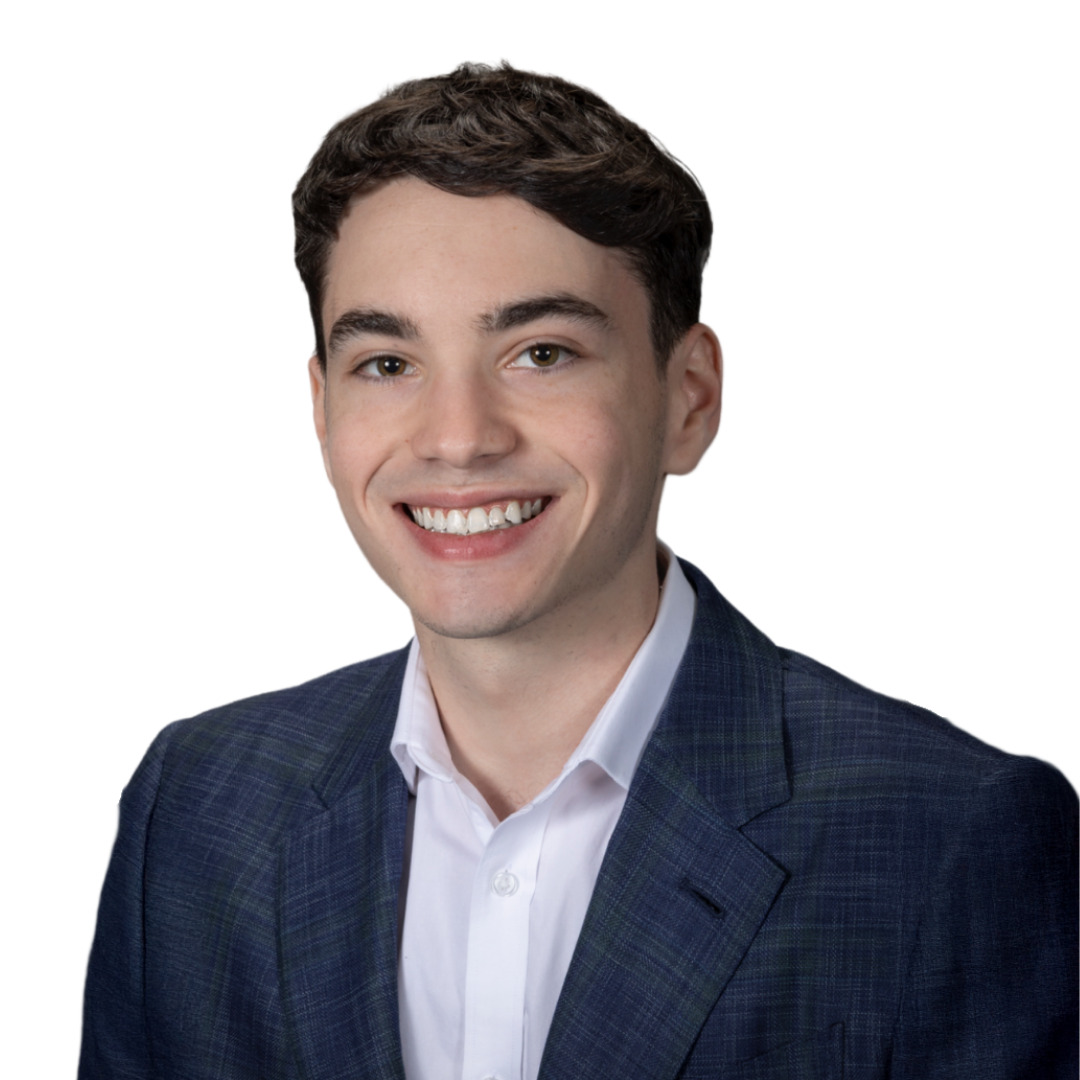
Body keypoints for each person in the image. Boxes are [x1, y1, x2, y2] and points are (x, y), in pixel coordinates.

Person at [79, 63, 1077, 1080]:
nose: (458, 437)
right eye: (387, 364)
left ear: (688, 398)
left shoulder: (949, 841)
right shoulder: (198, 812)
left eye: (542, 354)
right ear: (323, 407)